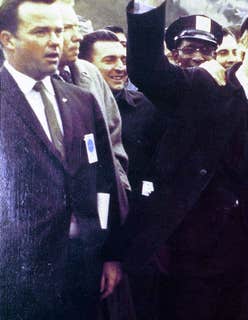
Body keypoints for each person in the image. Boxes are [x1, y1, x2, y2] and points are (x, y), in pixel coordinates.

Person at [125, 1, 248, 319]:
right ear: (243, 42)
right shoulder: (202, 87)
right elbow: (146, 71)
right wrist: (148, 5)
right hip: (188, 265)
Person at [0, 0, 124, 318]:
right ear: (7, 40)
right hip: (17, 278)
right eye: (41, 31)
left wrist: (110, 253)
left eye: (58, 31)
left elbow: (104, 182)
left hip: (82, 270)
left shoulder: (82, 102)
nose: (55, 40)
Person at [79, 29, 167, 320]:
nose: (120, 67)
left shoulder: (146, 108)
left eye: (123, 59)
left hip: (137, 235)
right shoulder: (73, 111)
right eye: (109, 60)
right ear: (87, 65)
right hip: (95, 236)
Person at [55, 0, 131, 197]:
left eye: (76, 27)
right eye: (67, 28)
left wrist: (119, 190)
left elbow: (113, 138)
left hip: (103, 199)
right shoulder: (35, 81)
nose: (78, 36)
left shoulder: (89, 73)